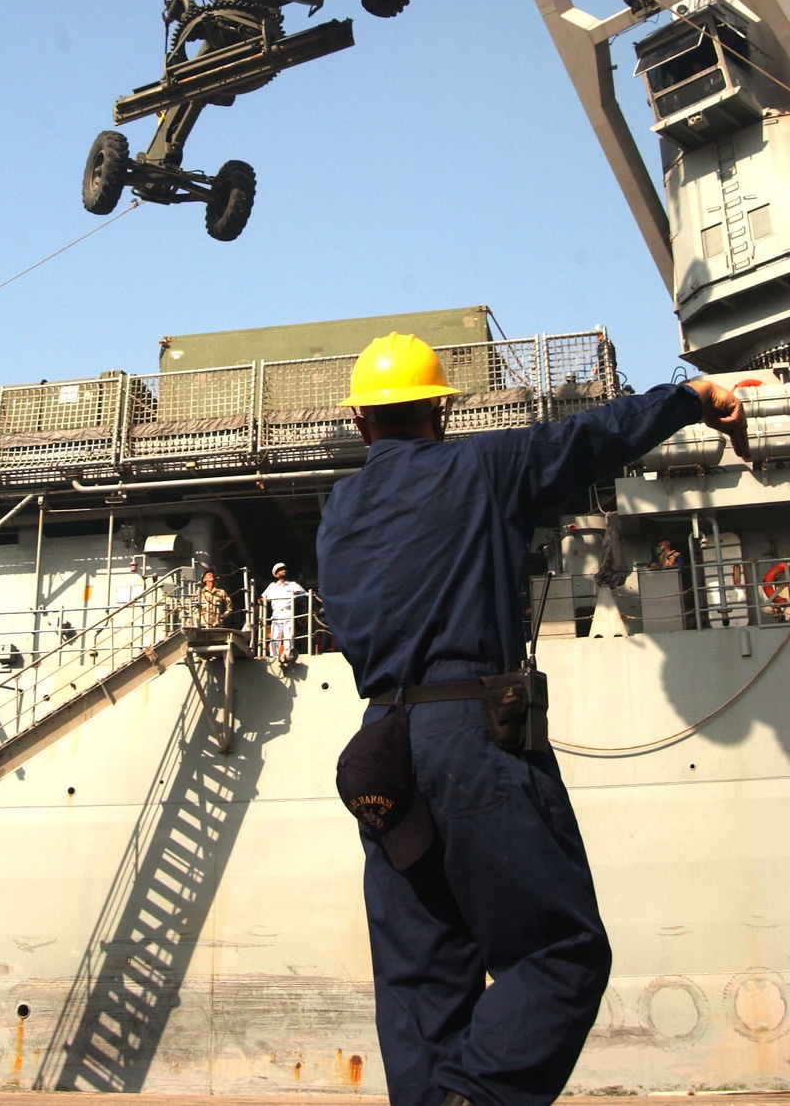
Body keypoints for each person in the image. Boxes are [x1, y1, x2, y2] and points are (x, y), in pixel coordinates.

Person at [316, 332, 748, 1106]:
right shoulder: (480, 467)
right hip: (469, 736)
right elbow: (590, 437)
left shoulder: (339, 507)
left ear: (360, 425)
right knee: (560, 952)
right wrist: (692, 397)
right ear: (442, 414)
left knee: (422, 978)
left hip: (380, 749)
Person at [261, 562, 305, 660]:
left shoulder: (292, 585)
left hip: (288, 612)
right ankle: (274, 656)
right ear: (276, 574)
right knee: (275, 636)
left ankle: (288, 654)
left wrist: (295, 602)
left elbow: (303, 594)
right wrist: (259, 601)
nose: (284, 571)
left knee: (288, 635)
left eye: (284, 569)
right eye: (281, 570)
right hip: (276, 614)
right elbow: (263, 597)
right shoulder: (272, 586)